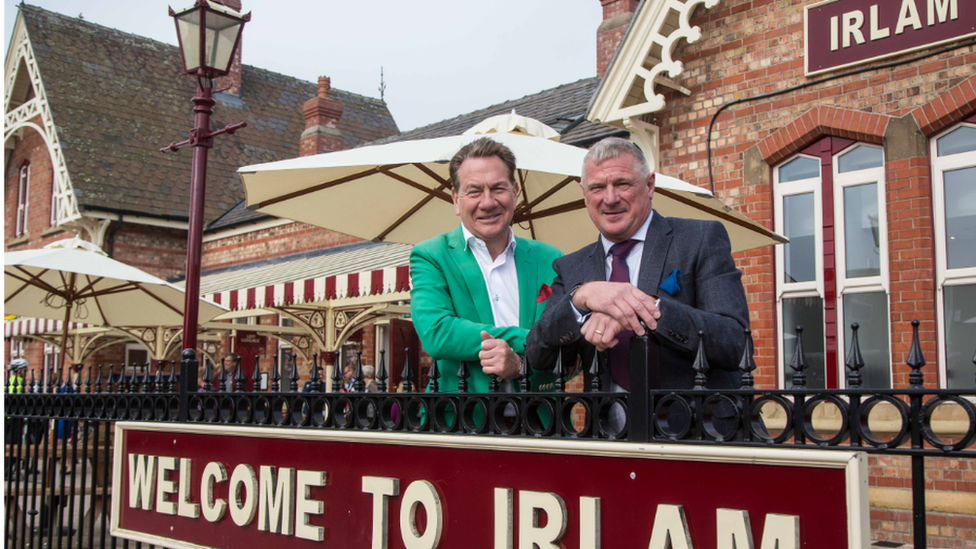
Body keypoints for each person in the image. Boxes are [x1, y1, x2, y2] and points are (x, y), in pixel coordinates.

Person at [525, 137, 749, 431]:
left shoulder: (700, 239)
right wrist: (580, 299)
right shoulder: (571, 267)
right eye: (596, 187)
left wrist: (646, 307)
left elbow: (735, 343)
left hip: (700, 434)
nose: (610, 198)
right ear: (584, 194)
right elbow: (537, 354)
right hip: (608, 437)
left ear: (650, 185)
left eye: (622, 183)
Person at [410, 137, 563, 398]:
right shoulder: (430, 255)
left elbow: (566, 352)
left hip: (540, 424)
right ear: (456, 200)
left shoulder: (551, 258)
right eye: (474, 191)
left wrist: (519, 366)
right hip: (458, 424)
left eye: (498, 188)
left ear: (515, 193)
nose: (488, 201)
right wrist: (531, 340)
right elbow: (437, 333)